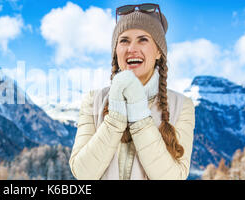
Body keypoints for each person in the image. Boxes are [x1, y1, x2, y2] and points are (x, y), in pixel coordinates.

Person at [69, 3, 195, 180]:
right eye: (124, 41)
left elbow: (174, 177)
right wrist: (115, 119)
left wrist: (139, 114)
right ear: (116, 51)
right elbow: (83, 173)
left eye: (143, 39)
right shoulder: (94, 100)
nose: (131, 49)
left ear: (159, 51)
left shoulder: (181, 106)